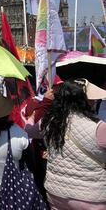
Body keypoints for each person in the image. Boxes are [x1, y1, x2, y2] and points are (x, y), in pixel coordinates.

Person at [41, 79, 106, 209]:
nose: (94, 101)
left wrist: (44, 103)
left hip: (55, 193)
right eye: (91, 99)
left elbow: (28, 129)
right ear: (83, 101)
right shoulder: (98, 127)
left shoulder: (50, 121)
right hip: (90, 197)